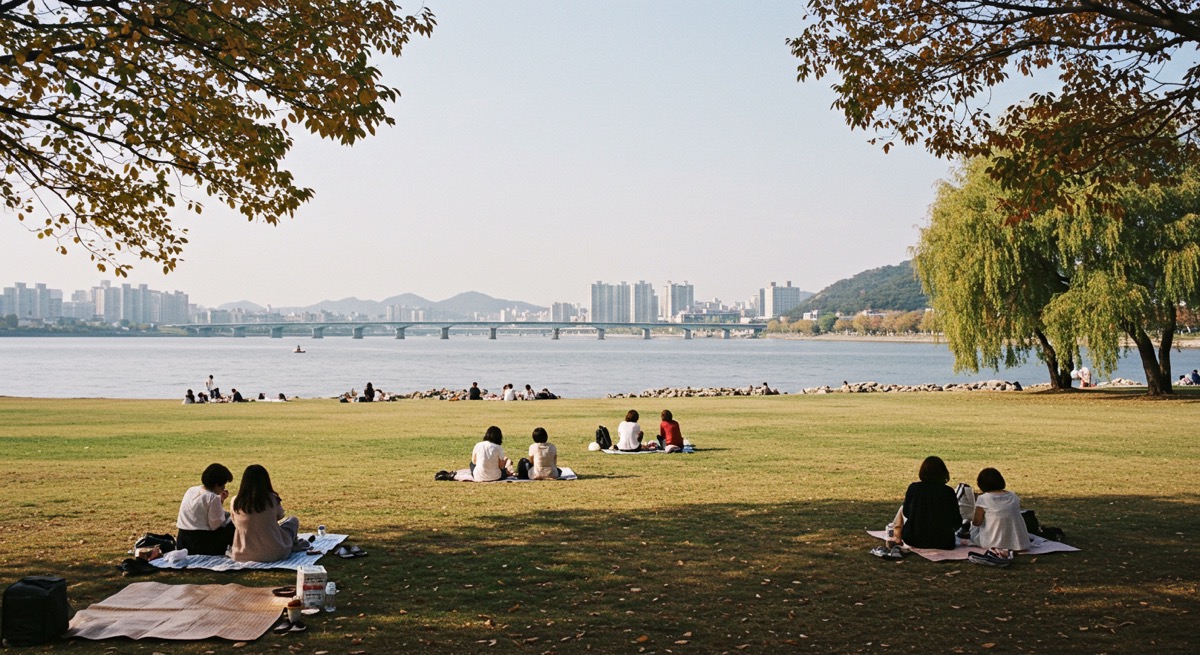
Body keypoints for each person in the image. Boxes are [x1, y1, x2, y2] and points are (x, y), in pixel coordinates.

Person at [874, 456, 962, 558]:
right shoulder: (948, 492)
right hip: (943, 541)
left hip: (914, 539)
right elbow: (956, 520)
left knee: (902, 508)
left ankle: (896, 534)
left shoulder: (914, 488)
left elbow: (906, 512)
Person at [230, 464, 306, 562]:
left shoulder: (235, 501)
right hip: (275, 552)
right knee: (293, 521)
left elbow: (235, 521)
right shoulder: (272, 499)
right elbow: (280, 516)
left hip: (243, 554)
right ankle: (293, 543)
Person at [968, 467, 1031, 566]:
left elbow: (977, 522)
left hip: (992, 542)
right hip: (1019, 542)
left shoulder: (983, 499)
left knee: (973, 528)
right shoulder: (1014, 496)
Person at [176, 463, 236, 556]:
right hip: (202, 545)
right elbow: (215, 525)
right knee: (233, 522)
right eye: (223, 485)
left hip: (182, 541)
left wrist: (220, 500)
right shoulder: (212, 497)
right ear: (216, 484)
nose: (224, 488)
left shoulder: (191, 490)